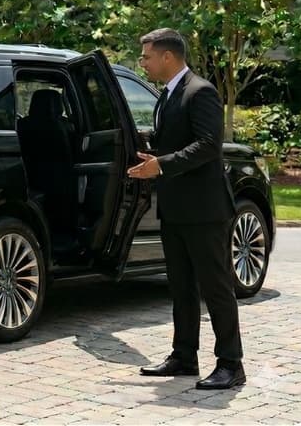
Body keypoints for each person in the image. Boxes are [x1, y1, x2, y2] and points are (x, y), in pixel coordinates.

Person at [128, 28, 244, 390]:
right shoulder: (167, 94)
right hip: (175, 209)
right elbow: (174, 141)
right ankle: (184, 356)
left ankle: (231, 364)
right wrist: (151, 157)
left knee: (216, 287)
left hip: (204, 210)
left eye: (146, 56)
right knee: (181, 287)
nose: (143, 63)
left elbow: (209, 145)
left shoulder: (200, 91)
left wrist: (161, 165)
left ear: (167, 56)